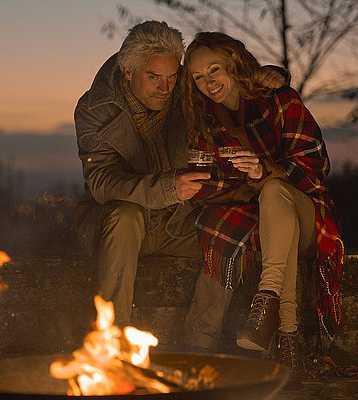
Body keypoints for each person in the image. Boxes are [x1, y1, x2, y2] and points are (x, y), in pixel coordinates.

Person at [74, 21, 286, 351]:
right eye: (154, 77)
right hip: (120, 228)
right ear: (128, 72)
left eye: (173, 76)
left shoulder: (184, 92)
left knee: (231, 227)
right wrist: (167, 187)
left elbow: (221, 80)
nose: (165, 87)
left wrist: (262, 75)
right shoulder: (93, 109)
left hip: (179, 221)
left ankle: (200, 343)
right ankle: (111, 342)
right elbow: (102, 183)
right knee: (125, 215)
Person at [180, 32, 344, 376]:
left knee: (273, 194)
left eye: (214, 70)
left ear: (234, 64)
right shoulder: (205, 120)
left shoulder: (280, 100)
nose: (208, 82)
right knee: (245, 222)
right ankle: (287, 343)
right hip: (261, 220)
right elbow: (206, 185)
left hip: (306, 213)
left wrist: (264, 172)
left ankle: (265, 299)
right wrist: (248, 182)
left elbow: (315, 165)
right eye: (198, 77)